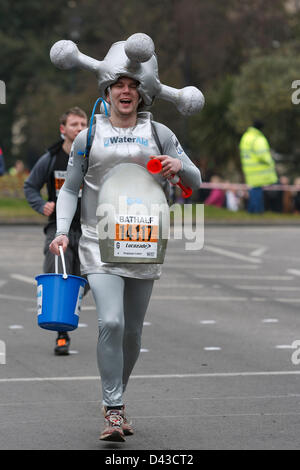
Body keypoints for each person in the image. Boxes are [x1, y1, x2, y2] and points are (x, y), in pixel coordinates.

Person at [48, 33, 203, 442]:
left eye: (134, 86)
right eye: (119, 84)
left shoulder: (160, 134)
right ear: (107, 89)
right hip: (97, 244)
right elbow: (69, 189)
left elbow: (195, 179)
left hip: (144, 245)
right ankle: (114, 409)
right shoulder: (88, 137)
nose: (126, 91)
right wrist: (63, 232)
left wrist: (177, 166)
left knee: (132, 332)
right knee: (111, 321)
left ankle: (116, 395)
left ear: (144, 93)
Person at [24, 107, 88, 355]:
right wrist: (42, 205)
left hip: (87, 228)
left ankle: (72, 306)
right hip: (58, 230)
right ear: (63, 130)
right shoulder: (51, 158)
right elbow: (30, 186)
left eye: (83, 124)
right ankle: (62, 334)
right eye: (74, 124)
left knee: (88, 277)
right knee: (56, 274)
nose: (80, 128)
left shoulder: (92, 156)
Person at [239, 120, 278, 213]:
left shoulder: (246, 137)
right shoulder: (258, 139)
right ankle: (257, 212)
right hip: (259, 171)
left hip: (249, 170)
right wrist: (271, 162)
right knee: (257, 193)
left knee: (253, 191)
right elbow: (263, 155)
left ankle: (251, 211)